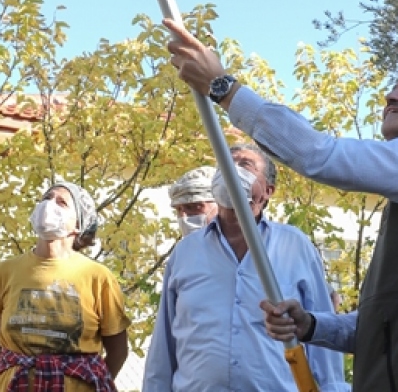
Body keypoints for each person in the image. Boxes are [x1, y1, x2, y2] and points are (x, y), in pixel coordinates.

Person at [165, 18, 398, 392]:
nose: (392, 96)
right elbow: (386, 325)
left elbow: (319, 155)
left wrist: (223, 88)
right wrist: (312, 325)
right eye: (394, 87)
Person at [142, 143, 348, 391]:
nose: (231, 170)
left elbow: (322, 333)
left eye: (244, 165)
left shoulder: (295, 247)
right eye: (225, 163)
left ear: (268, 190)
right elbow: (164, 345)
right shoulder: (185, 253)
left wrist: (332, 388)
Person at [0, 181, 130, 392]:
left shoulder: (98, 277)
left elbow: (118, 351)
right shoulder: (5, 271)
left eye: (62, 202)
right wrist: (15, 375)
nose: (50, 205)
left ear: (79, 225)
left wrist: (89, 380)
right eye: (46, 199)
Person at [168, 165, 219, 237]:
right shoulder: (183, 248)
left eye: (191, 207)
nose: (183, 216)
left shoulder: (238, 245)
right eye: (179, 209)